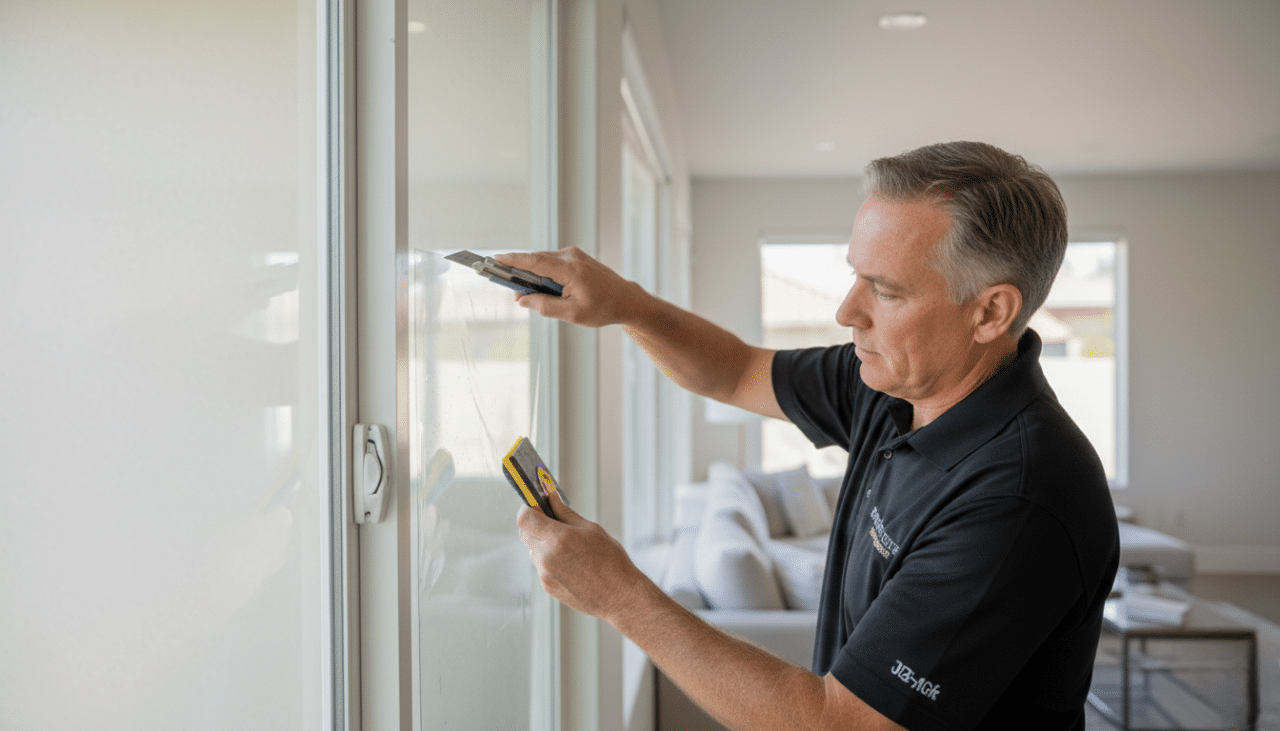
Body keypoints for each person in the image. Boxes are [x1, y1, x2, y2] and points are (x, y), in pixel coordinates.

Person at [502, 141, 1120, 731]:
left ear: (989, 312)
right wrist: (626, 304)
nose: (848, 311)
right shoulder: (891, 385)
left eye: (885, 289)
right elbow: (738, 370)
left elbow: (842, 724)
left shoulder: (1017, 499)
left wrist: (622, 597)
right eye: (856, 276)